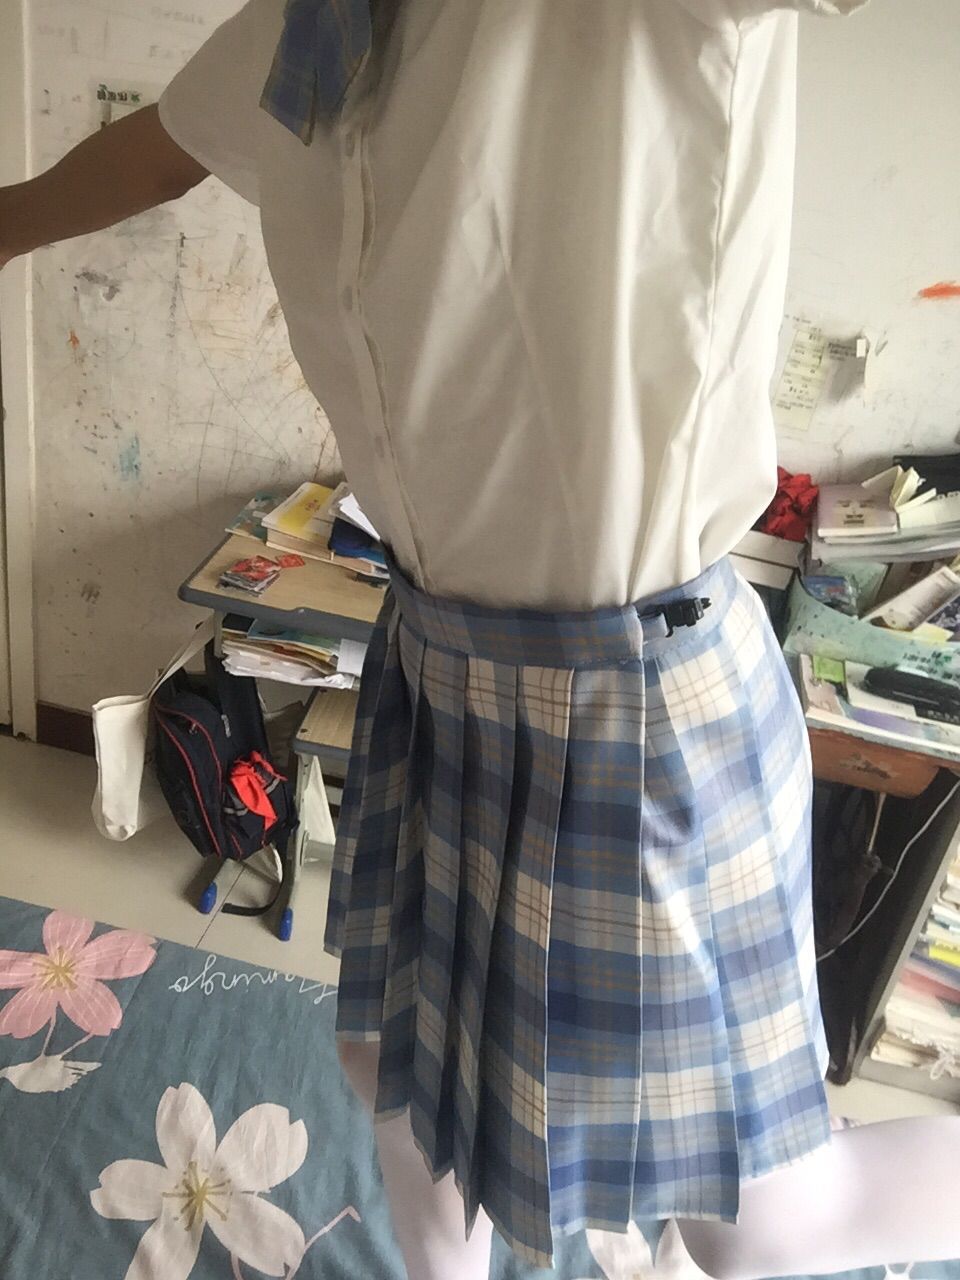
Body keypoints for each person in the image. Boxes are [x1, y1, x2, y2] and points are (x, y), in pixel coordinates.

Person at [2, 2, 959, 1278]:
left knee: (764, 1221)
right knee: (389, 1063)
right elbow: (156, 150)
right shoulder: (311, 24)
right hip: (435, 669)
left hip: (639, 700)